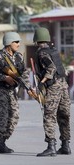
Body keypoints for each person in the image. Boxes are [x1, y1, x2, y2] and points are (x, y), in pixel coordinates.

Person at [0, 32, 34, 153]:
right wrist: (4, 77)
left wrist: (29, 87)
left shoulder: (19, 57)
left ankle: (3, 139)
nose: (18, 44)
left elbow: (23, 73)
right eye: (16, 42)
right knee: (2, 116)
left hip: (11, 91)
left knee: (14, 116)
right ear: (9, 43)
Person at [33, 27, 71, 157]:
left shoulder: (42, 53)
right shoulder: (54, 51)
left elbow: (51, 68)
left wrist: (42, 82)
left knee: (49, 115)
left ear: (36, 39)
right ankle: (66, 145)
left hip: (54, 86)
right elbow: (62, 69)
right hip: (63, 85)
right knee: (64, 115)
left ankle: (51, 146)